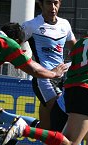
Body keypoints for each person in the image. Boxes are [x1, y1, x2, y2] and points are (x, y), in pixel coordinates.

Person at [22, 0, 76, 130]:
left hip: (62, 79)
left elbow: (75, 49)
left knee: (46, 128)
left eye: (56, 3)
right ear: (40, 4)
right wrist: (29, 63)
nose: (53, 7)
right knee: (66, 114)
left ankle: (5, 117)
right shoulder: (31, 25)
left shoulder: (65, 24)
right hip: (44, 79)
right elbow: (12, 46)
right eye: (48, 3)